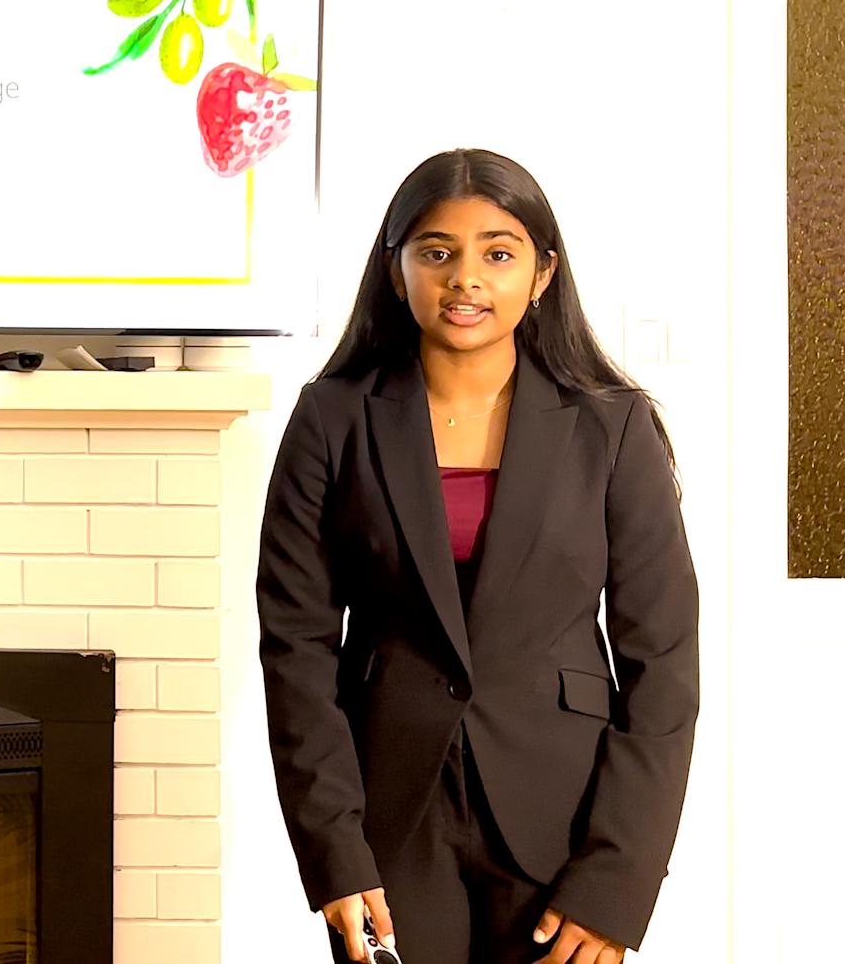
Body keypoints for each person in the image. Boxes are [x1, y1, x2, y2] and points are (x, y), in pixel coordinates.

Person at [256, 149, 699, 964]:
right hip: (387, 826)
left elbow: (663, 665)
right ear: (396, 271)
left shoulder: (613, 428)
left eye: (498, 253)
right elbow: (295, 652)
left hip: (563, 824)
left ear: (541, 274)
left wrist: (617, 880)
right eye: (436, 252)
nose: (466, 278)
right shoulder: (331, 420)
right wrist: (333, 853)